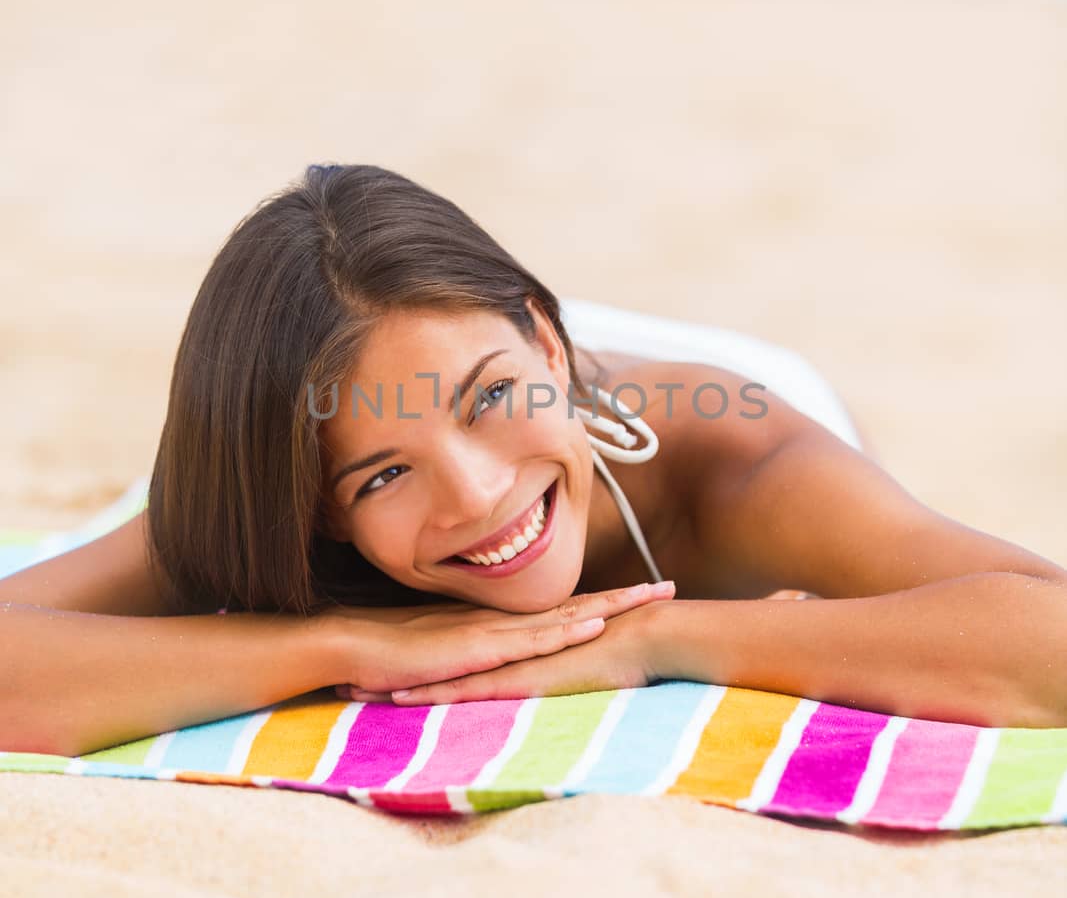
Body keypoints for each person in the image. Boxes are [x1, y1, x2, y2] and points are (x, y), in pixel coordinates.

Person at [2, 163, 1065, 759]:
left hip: (658, 396)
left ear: (548, 350)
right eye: (380, 476)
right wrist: (335, 642)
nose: (475, 497)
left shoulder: (727, 451)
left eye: (490, 407)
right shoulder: (278, 493)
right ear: (320, 512)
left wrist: (653, 637)